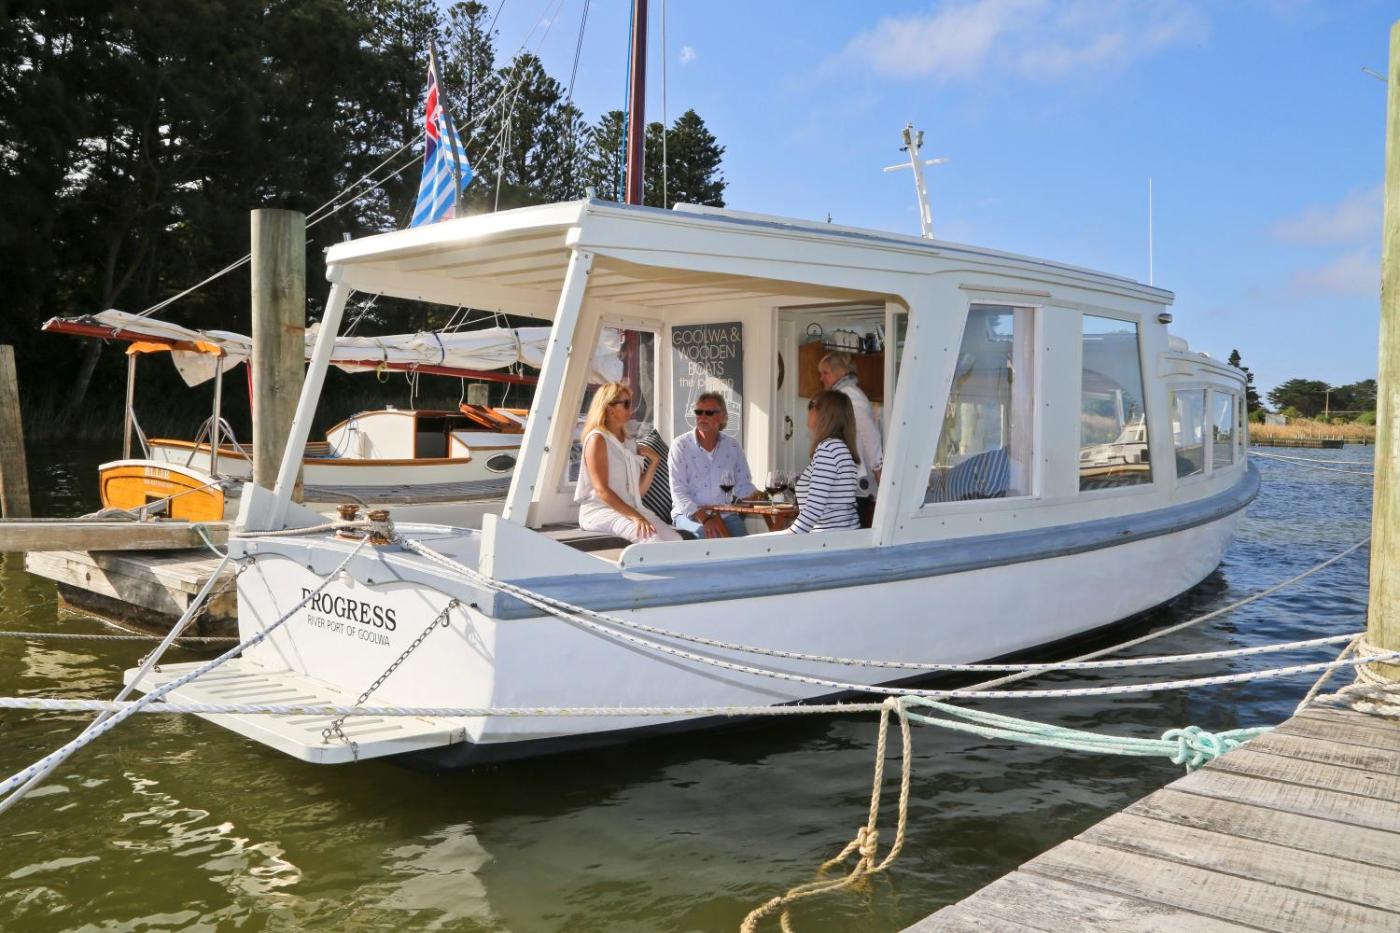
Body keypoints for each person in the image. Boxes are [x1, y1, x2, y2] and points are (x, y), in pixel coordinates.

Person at [575, 383, 681, 543]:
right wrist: (636, 517)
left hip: (630, 509)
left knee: (676, 540)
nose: (631, 409)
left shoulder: (629, 443)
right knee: (652, 540)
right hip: (601, 511)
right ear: (609, 408)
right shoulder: (598, 439)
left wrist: (654, 462)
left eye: (631, 403)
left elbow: (638, 492)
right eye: (626, 404)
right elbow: (602, 490)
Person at [668, 390, 757, 538]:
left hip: (724, 514)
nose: (702, 417)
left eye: (709, 412)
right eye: (699, 412)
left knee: (745, 544)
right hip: (689, 514)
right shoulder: (680, 446)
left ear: (723, 417)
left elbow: (743, 486)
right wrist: (705, 518)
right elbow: (678, 492)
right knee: (708, 535)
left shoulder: (733, 446)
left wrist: (764, 498)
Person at [818, 351, 883, 526]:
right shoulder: (843, 395)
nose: (821, 378)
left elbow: (870, 434)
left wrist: (878, 471)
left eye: (825, 372)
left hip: (855, 481)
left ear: (839, 372)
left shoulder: (850, 396)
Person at [787, 390, 860, 533]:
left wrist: (789, 536)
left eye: (812, 405)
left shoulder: (828, 449)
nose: (809, 411)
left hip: (827, 539)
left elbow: (813, 509)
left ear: (825, 414)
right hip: (844, 536)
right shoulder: (840, 447)